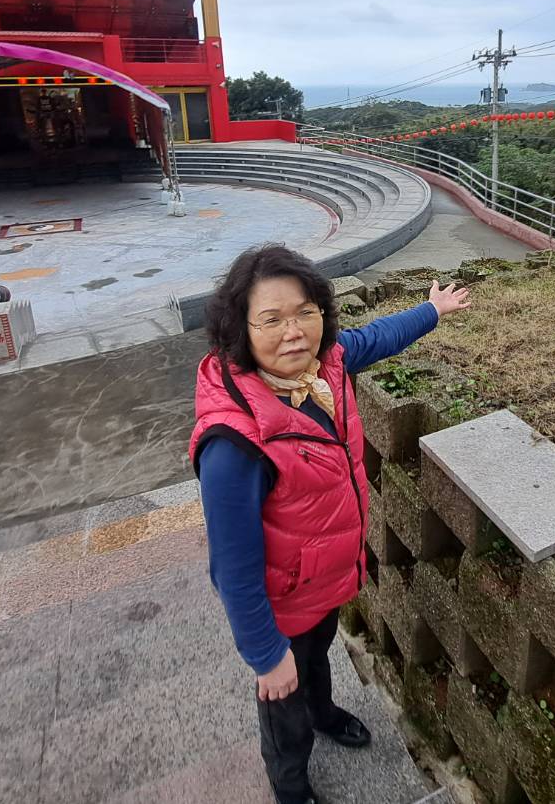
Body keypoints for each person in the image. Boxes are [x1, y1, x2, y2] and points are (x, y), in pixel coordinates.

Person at [191, 245, 472, 804]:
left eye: (306, 312)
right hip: (279, 606)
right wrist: (265, 656)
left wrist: (431, 311)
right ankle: (290, 783)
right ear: (240, 329)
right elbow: (234, 570)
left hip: (325, 578)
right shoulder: (234, 444)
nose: (293, 332)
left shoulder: (328, 365)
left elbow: (377, 338)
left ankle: (325, 712)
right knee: (283, 701)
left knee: (317, 657)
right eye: (271, 319)